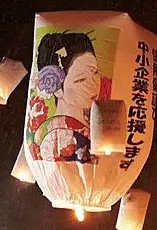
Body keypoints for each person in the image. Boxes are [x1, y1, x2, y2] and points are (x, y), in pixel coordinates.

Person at [28, 32, 102, 163]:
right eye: (81, 79)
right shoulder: (63, 136)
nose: (93, 84)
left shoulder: (83, 122)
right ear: (57, 89)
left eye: (95, 72)